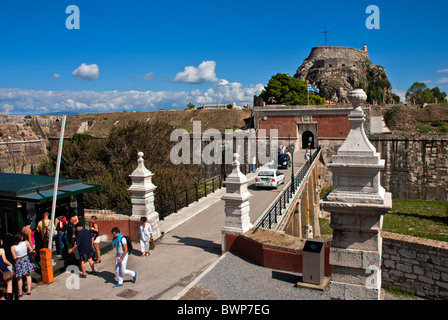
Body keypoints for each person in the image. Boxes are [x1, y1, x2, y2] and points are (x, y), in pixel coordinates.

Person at [10, 233, 35, 297]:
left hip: (19, 261)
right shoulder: (26, 243)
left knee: (19, 278)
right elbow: (31, 249)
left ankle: (20, 292)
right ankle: (28, 290)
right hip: (26, 259)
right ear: (21, 238)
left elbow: (14, 257)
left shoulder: (13, 247)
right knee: (28, 275)